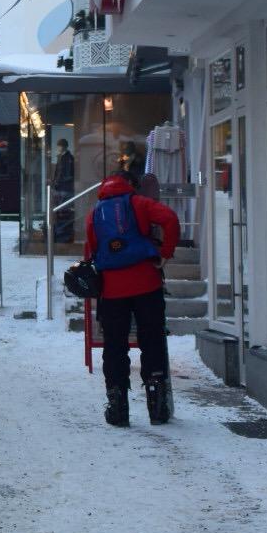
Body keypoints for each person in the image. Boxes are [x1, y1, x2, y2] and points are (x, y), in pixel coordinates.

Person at [85, 170, 181, 427]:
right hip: (146, 284)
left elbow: (91, 251)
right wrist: (166, 253)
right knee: (152, 340)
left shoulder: (95, 213)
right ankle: (157, 404)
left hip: (112, 291)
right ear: (132, 185)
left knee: (115, 346)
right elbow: (170, 219)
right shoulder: (140, 203)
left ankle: (117, 407)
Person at [52, 139, 76, 242]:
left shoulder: (67, 158)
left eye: (60, 146)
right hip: (62, 188)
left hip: (64, 188)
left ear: (64, 147)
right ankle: (61, 232)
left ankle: (62, 233)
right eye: (58, 146)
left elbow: (66, 174)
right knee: (61, 211)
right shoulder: (62, 157)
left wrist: (57, 183)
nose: (58, 148)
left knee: (63, 211)